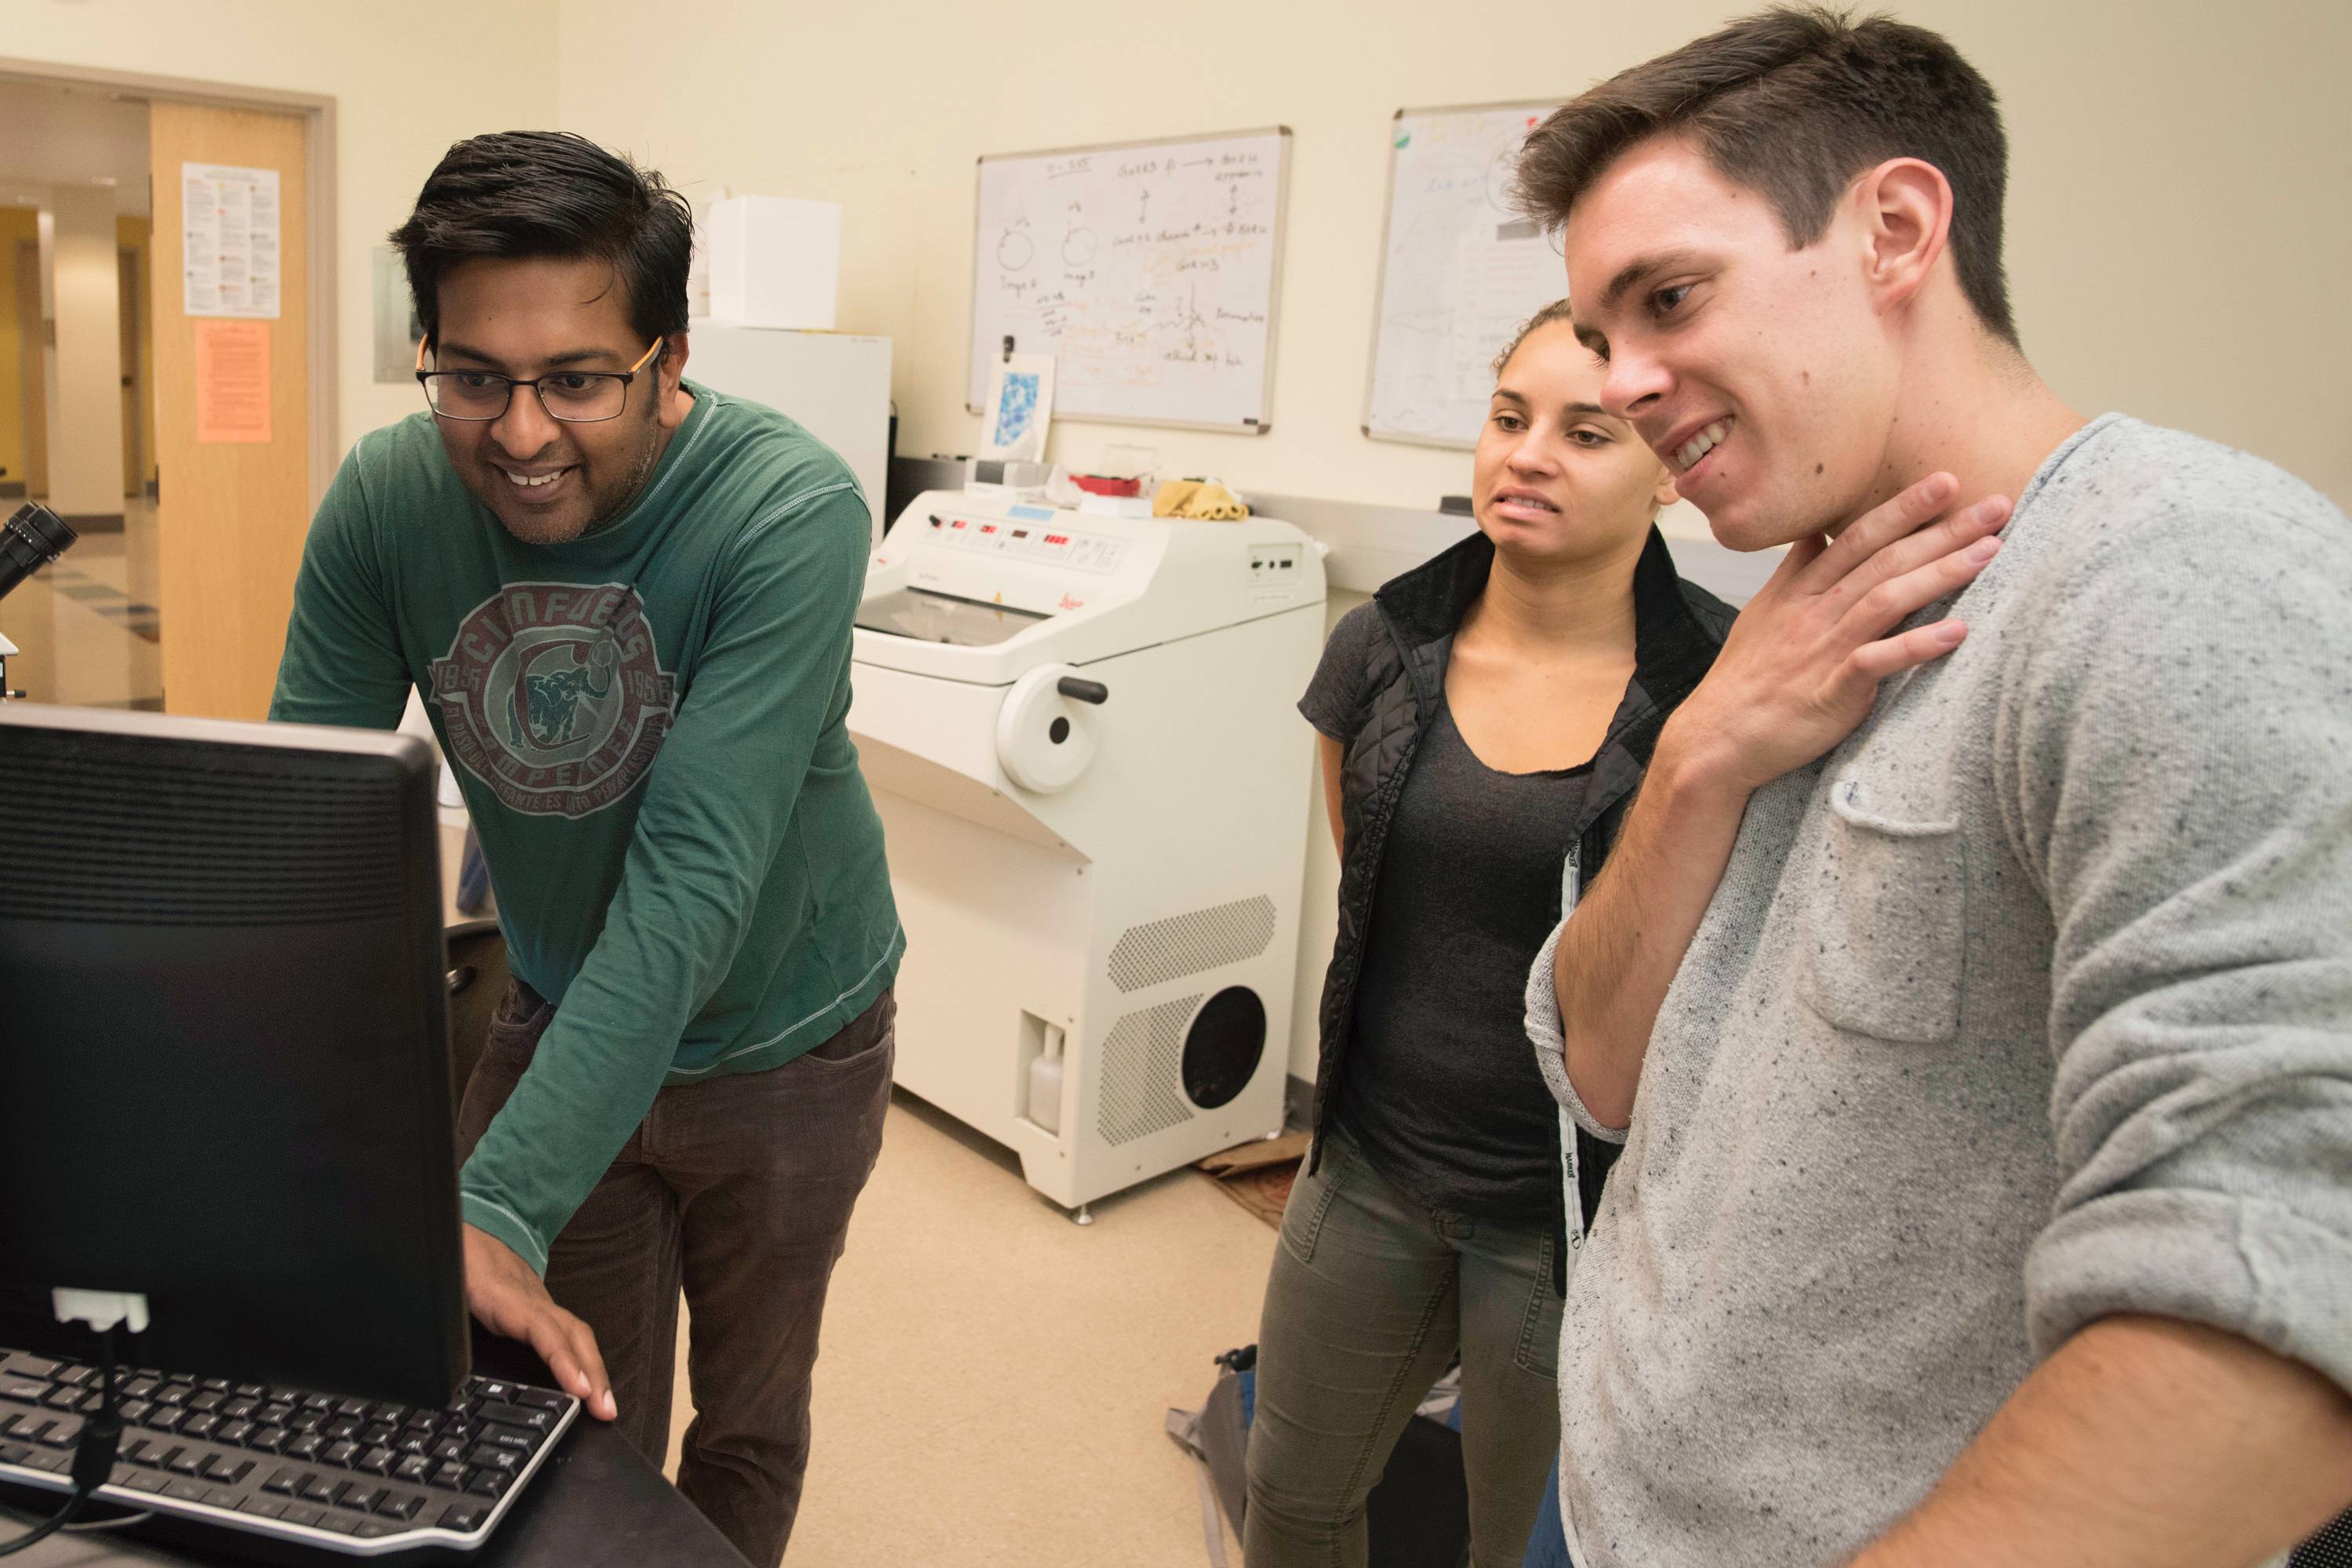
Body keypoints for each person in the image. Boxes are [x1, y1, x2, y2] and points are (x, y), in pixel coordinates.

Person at [1512, 8, 2352, 1566]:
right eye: (1598, 333)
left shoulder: (2183, 580)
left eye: (1669, 300)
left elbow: (2286, 1285)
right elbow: (1595, 1072)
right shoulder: (1790, 614)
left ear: (1896, 228)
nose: (1624, 382)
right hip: (1613, 1487)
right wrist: (1699, 757)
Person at [269, 131, 903, 1567]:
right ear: (428, 351)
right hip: (556, 1006)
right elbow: (310, 813)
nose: (522, 430)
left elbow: (692, 885)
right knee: (551, 1414)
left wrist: (490, 1196)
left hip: (788, 1035)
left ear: (668, 361)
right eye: (475, 376)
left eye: (579, 379)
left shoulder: (785, 510)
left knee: (747, 1415)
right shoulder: (387, 500)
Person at [1243, 303, 1733, 1568]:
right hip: (1368, 1165)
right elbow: (1375, 897)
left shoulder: (1713, 696)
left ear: (1671, 471)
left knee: (1522, 1544)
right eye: (1510, 418)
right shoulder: (1381, 645)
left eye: (1589, 432)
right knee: (1290, 1500)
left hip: (1567, 1219)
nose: (1527, 456)